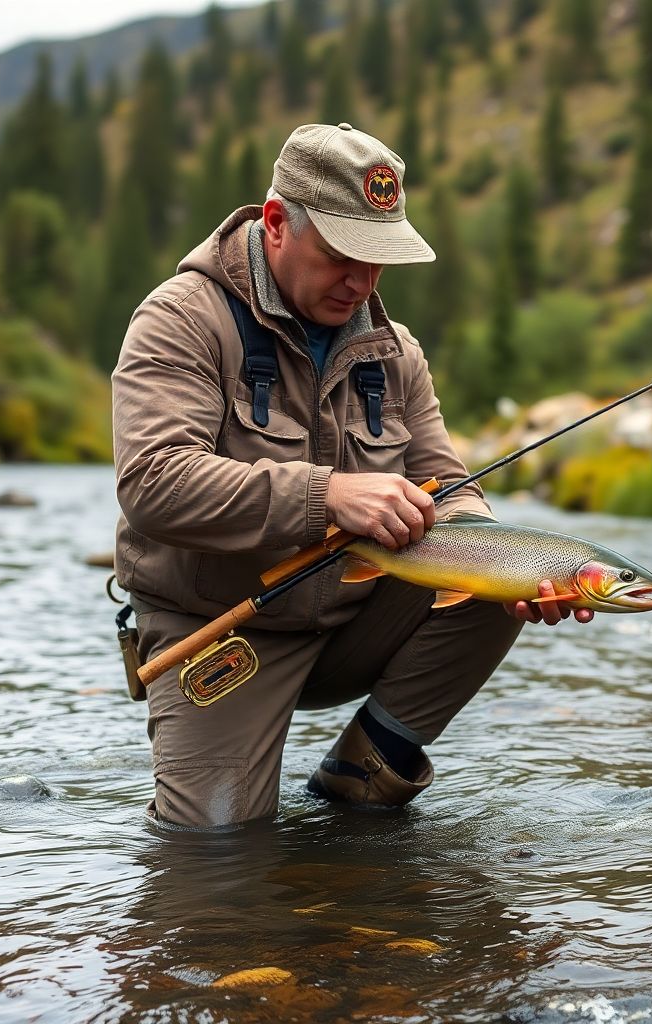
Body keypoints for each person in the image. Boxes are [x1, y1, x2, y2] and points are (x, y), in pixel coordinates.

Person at [112, 123, 591, 829]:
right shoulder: (181, 320)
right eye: (343, 255)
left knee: (498, 570)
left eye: (379, 258)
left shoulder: (395, 351)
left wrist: (510, 565)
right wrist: (328, 494)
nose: (363, 282)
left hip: (355, 617)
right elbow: (153, 483)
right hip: (221, 627)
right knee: (210, 850)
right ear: (276, 224)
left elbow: (450, 487)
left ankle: (365, 768)